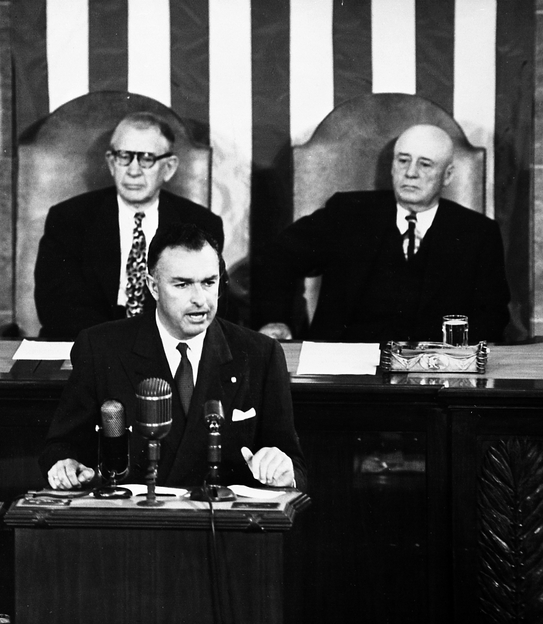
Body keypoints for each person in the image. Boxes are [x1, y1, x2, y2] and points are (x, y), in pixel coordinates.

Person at [40, 222, 306, 491]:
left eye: (209, 282)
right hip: (134, 524)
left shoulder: (260, 353)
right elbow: (61, 446)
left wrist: (285, 471)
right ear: (153, 287)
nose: (200, 299)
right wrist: (66, 464)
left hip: (223, 525)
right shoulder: (101, 348)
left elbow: (295, 465)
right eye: (183, 285)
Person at [258, 123, 510, 344]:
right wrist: (276, 320)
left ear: (448, 175)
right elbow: (279, 256)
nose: (411, 172)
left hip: (433, 379)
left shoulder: (478, 234)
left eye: (425, 164)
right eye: (403, 160)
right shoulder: (347, 214)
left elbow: (492, 316)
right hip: (344, 373)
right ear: (392, 166)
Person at [34, 111, 224, 339]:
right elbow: (55, 307)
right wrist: (116, 347)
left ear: (169, 167)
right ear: (112, 163)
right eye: (124, 156)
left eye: (146, 159)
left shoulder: (201, 223)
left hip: (163, 345)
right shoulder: (68, 218)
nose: (133, 171)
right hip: (90, 342)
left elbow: (203, 305)